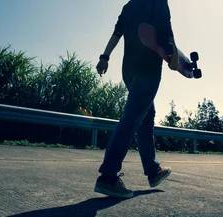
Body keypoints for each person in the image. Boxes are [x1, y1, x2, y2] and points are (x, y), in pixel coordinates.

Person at [93, 0, 178, 199]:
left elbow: (116, 33)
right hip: (148, 68)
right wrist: (172, 53)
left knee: (145, 117)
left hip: (129, 71)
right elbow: (165, 27)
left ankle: (153, 171)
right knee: (132, 118)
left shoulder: (129, 6)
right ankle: (108, 176)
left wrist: (104, 57)